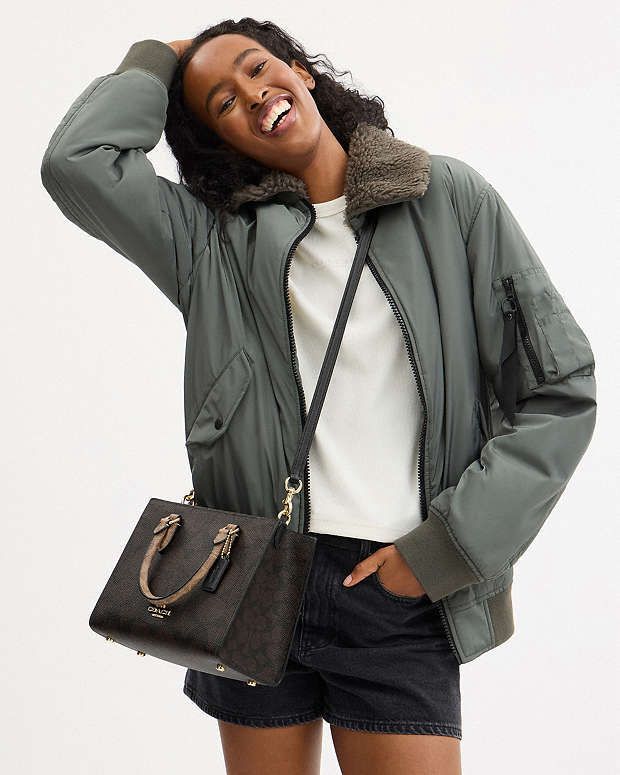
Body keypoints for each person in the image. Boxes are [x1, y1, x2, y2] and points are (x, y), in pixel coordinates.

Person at [40, 17, 597, 775]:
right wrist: (160, 58)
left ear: (301, 71)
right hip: (248, 576)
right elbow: (76, 163)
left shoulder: (447, 199)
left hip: (399, 586)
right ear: (218, 141)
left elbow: (559, 387)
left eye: (256, 67)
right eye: (222, 103)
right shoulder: (210, 243)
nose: (251, 94)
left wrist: (446, 549)